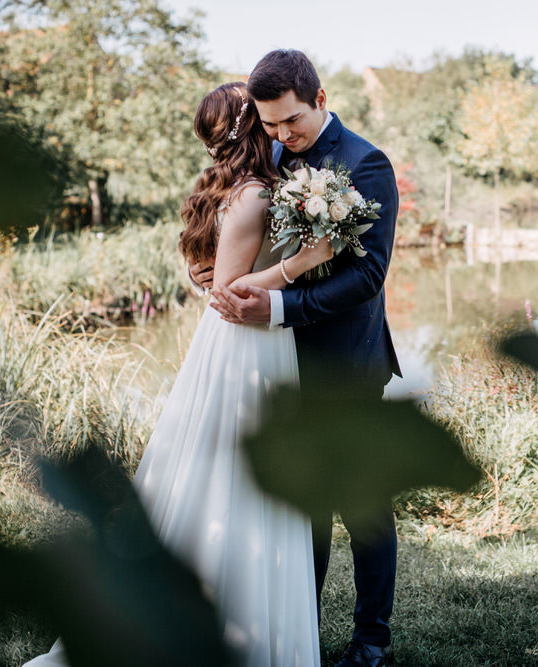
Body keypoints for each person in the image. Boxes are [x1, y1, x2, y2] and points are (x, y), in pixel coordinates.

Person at [25, 82, 332, 666]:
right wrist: (303, 263)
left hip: (260, 344)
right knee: (238, 478)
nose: (276, 130)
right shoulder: (253, 197)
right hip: (248, 346)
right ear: (249, 128)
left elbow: (208, 275)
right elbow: (224, 292)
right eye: (266, 122)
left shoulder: (245, 190)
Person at [195, 50, 401, 667]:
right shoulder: (270, 157)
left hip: (343, 363)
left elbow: (367, 275)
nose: (283, 136)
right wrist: (211, 275)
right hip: (273, 367)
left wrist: (280, 308)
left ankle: (372, 643)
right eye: (269, 125)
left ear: (320, 98)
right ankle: (298, 637)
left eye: (291, 122)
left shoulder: (367, 165)